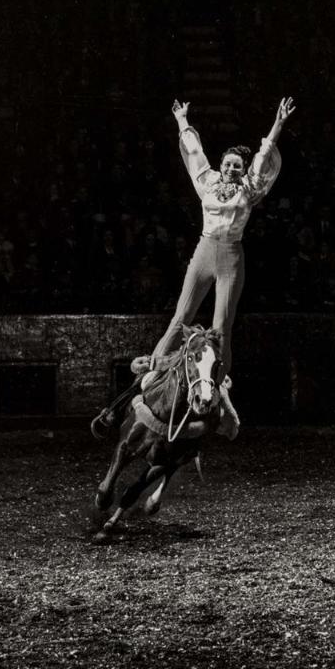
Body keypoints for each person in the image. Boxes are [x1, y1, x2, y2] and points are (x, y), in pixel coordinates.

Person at [94, 96, 295, 432]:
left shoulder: (249, 186)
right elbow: (194, 154)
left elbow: (263, 156)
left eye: (237, 165)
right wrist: (182, 121)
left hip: (231, 255)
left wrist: (278, 124)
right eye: (228, 163)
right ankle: (152, 375)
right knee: (181, 317)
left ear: (243, 170)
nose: (232, 168)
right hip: (204, 251)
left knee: (221, 327)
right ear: (223, 164)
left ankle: (216, 391)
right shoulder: (208, 181)